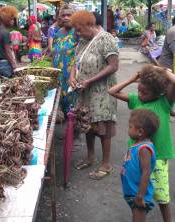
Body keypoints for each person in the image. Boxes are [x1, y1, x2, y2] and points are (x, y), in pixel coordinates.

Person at [108, 65, 175, 222]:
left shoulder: (164, 103)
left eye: (145, 92)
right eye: (139, 90)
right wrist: (132, 79)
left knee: (162, 196)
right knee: (138, 193)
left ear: (158, 92)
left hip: (158, 157)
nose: (140, 94)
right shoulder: (135, 100)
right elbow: (112, 91)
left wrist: (162, 71)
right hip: (137, 156)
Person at [69, 11, 119, 180]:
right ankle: (90, 157)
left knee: (103, 126)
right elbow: (76, 61)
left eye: (79, 29)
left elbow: (113, 66)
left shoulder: (106, 39)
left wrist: (90, 80)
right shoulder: (83, 41)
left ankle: (106, 164)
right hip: (85, 92)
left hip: (103, 91)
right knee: (87, 124)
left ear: (90, 25)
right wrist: (72, 77)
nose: (77, 33)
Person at [121, 109, 159, 222]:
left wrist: (140, 196)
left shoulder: (144, 149)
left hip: (138, 194)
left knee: (138, 218)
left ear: (140, 132)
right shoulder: (138, 144)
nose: (128, 129)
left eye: (130, 126)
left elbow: (146, 173)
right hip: (133, 192)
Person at [52, 5, 79, 116]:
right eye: (63, 15)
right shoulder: (57, 33)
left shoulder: (77, 32)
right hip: (59, 74)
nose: (66, 18)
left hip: (72, 75)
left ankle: (73, 129)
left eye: (69, 15)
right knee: (59, 99)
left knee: (72, 103)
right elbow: (54, 52)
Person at [0, 6, 18, 79]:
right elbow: (8, 51)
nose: (13, 21)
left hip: (0, 63)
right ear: (7, 19)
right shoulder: (5, 32)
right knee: (10, 87)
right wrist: (14, 65)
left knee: (4, 86)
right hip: (6, 63)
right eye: (12, 19)